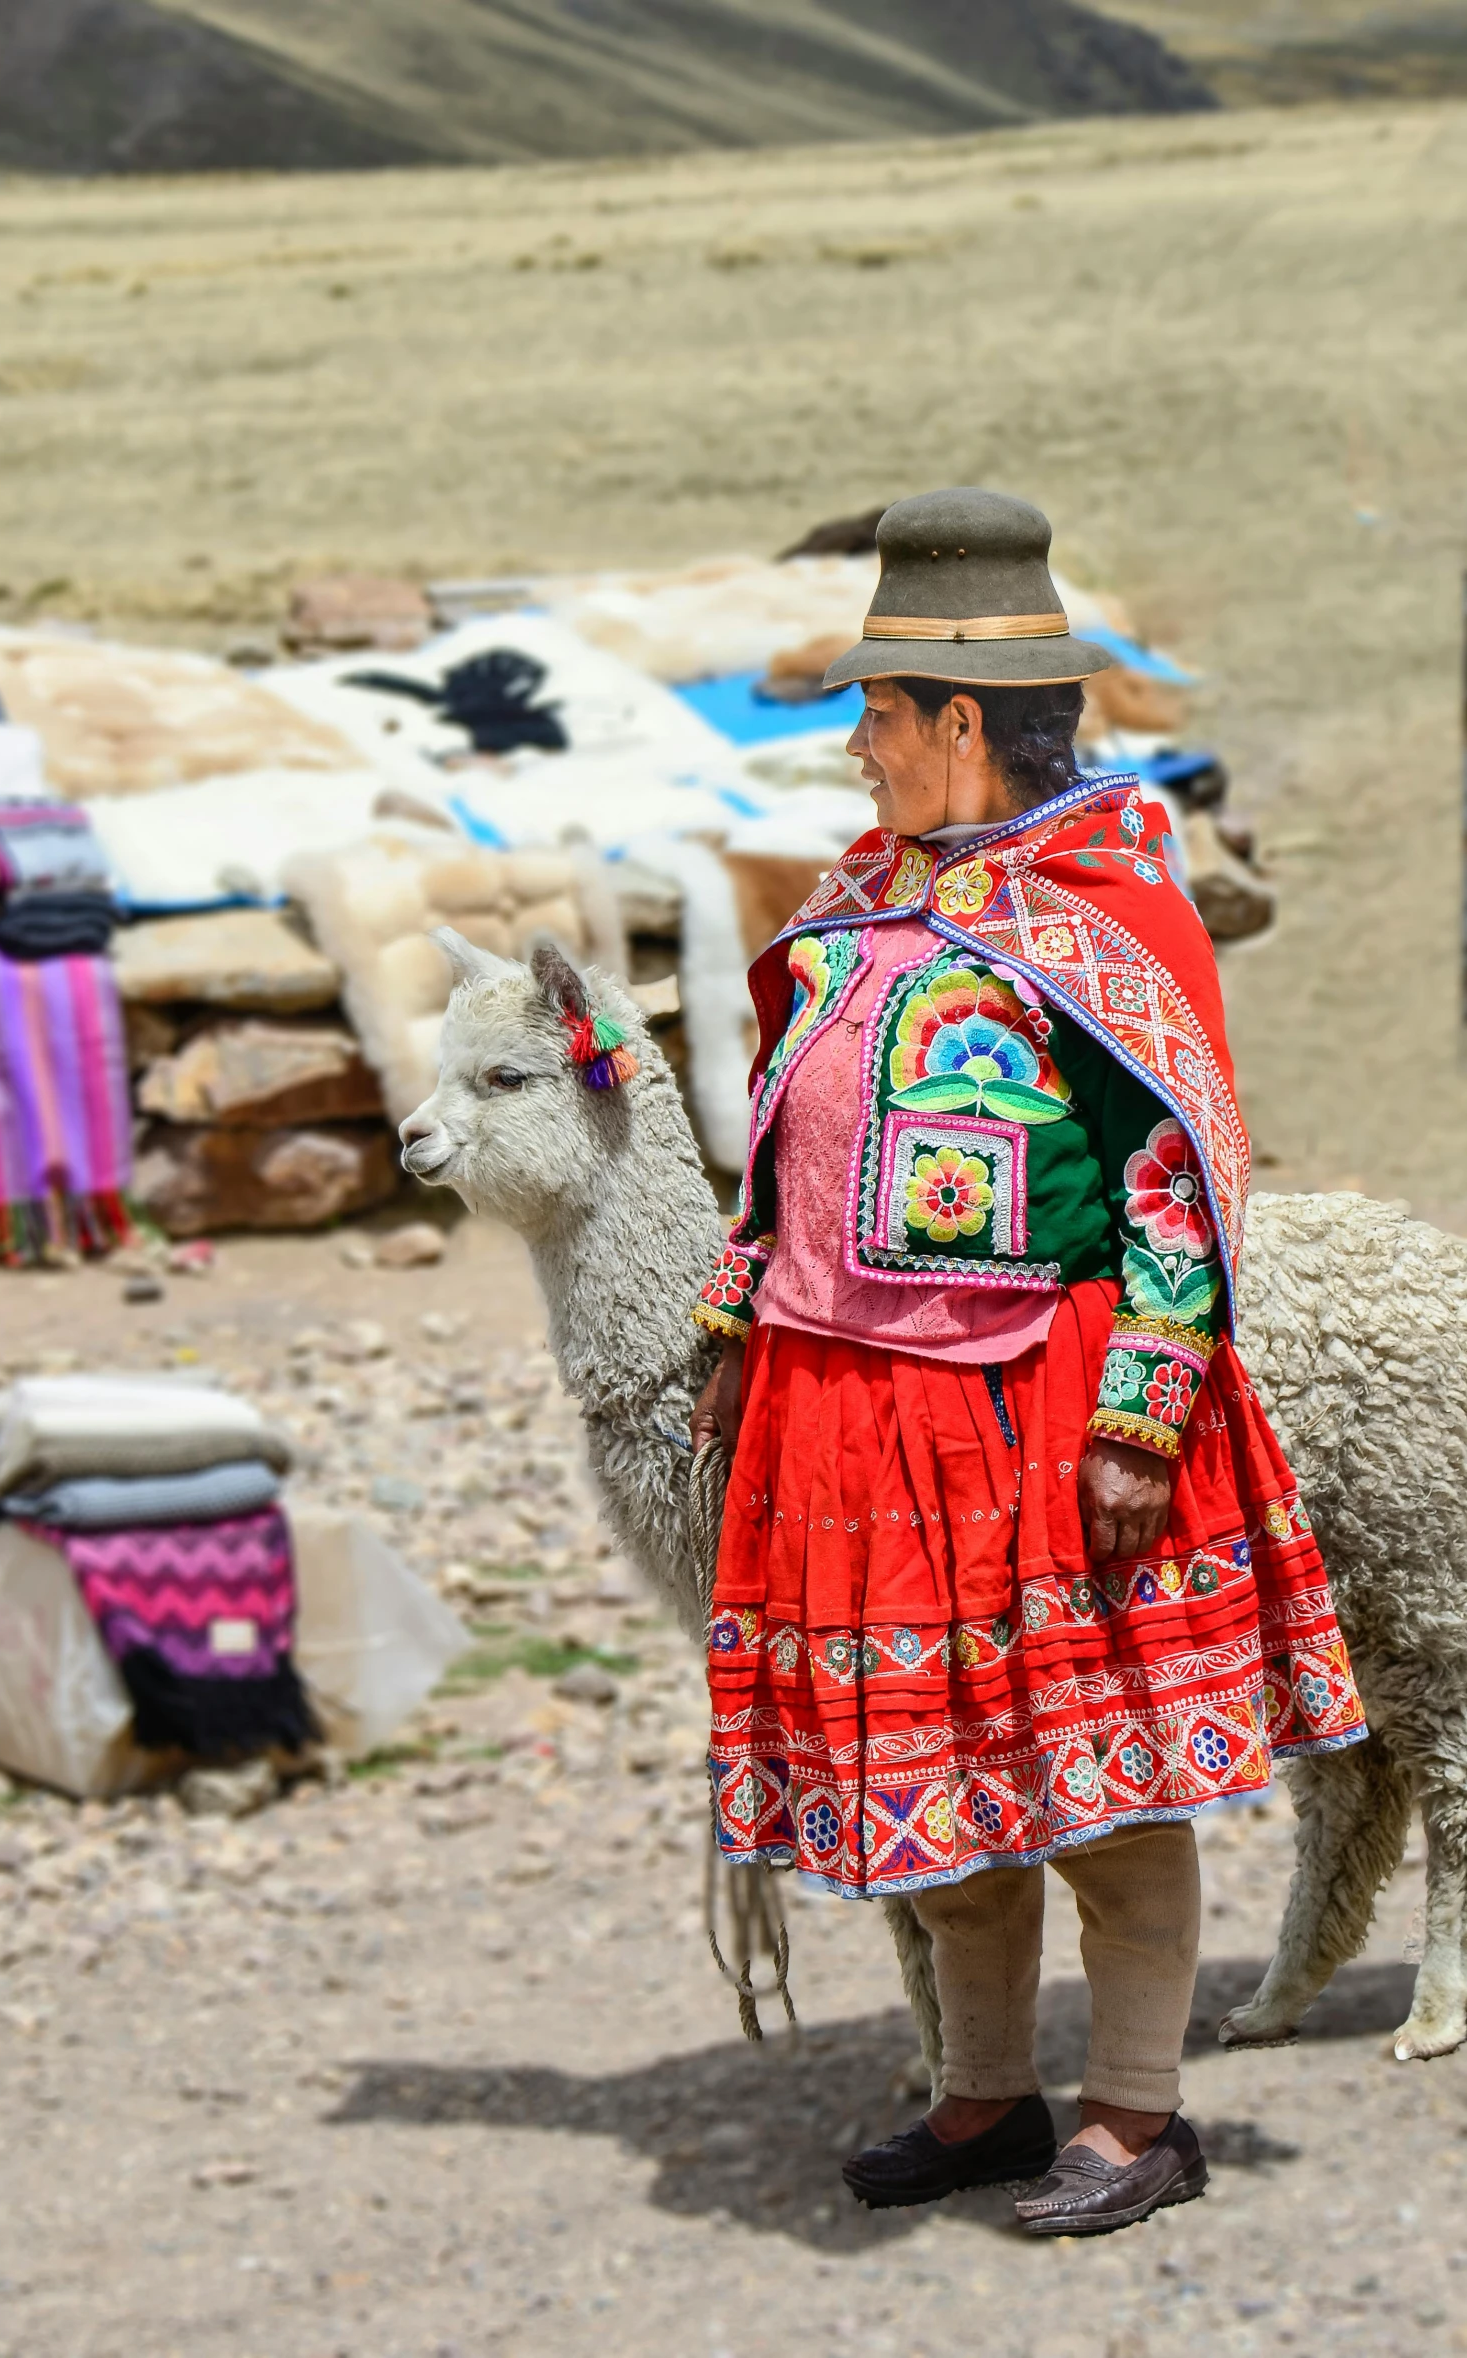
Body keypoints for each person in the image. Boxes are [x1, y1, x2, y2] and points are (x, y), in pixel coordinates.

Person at [687, 488, 1364, 2237]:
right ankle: (984, 2093)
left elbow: (1181, 1177)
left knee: (1094, 1770)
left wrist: (1143, 1420)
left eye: (876, 716)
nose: (854, 751)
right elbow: (786, 1134)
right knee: (940, 1778)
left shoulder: (1103, 911)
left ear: (960, 724)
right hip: (850, 1406)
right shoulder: (869, 899)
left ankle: (1135, 2113)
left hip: (1038, 1407)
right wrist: (731, 1324)